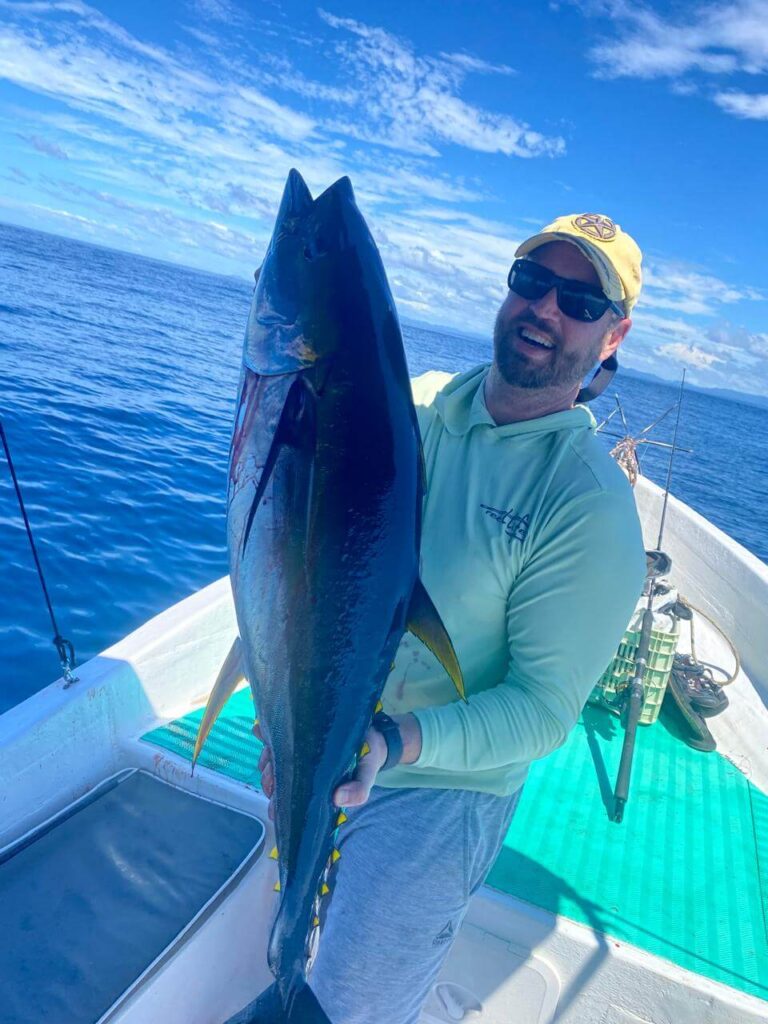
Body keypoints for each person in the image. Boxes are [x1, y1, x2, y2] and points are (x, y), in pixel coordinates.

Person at [257, 213, 648, 1024]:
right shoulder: (416, 402)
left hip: (439, 787)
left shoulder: (587, 504)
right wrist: (279, 704)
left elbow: (543, 711)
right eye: (531, 282)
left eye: (579, 300)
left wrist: (393, 744)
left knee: (354, 1007)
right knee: (285, 937)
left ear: (613, 336)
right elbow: (305, 550)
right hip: (323, 721)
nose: (545, 308)